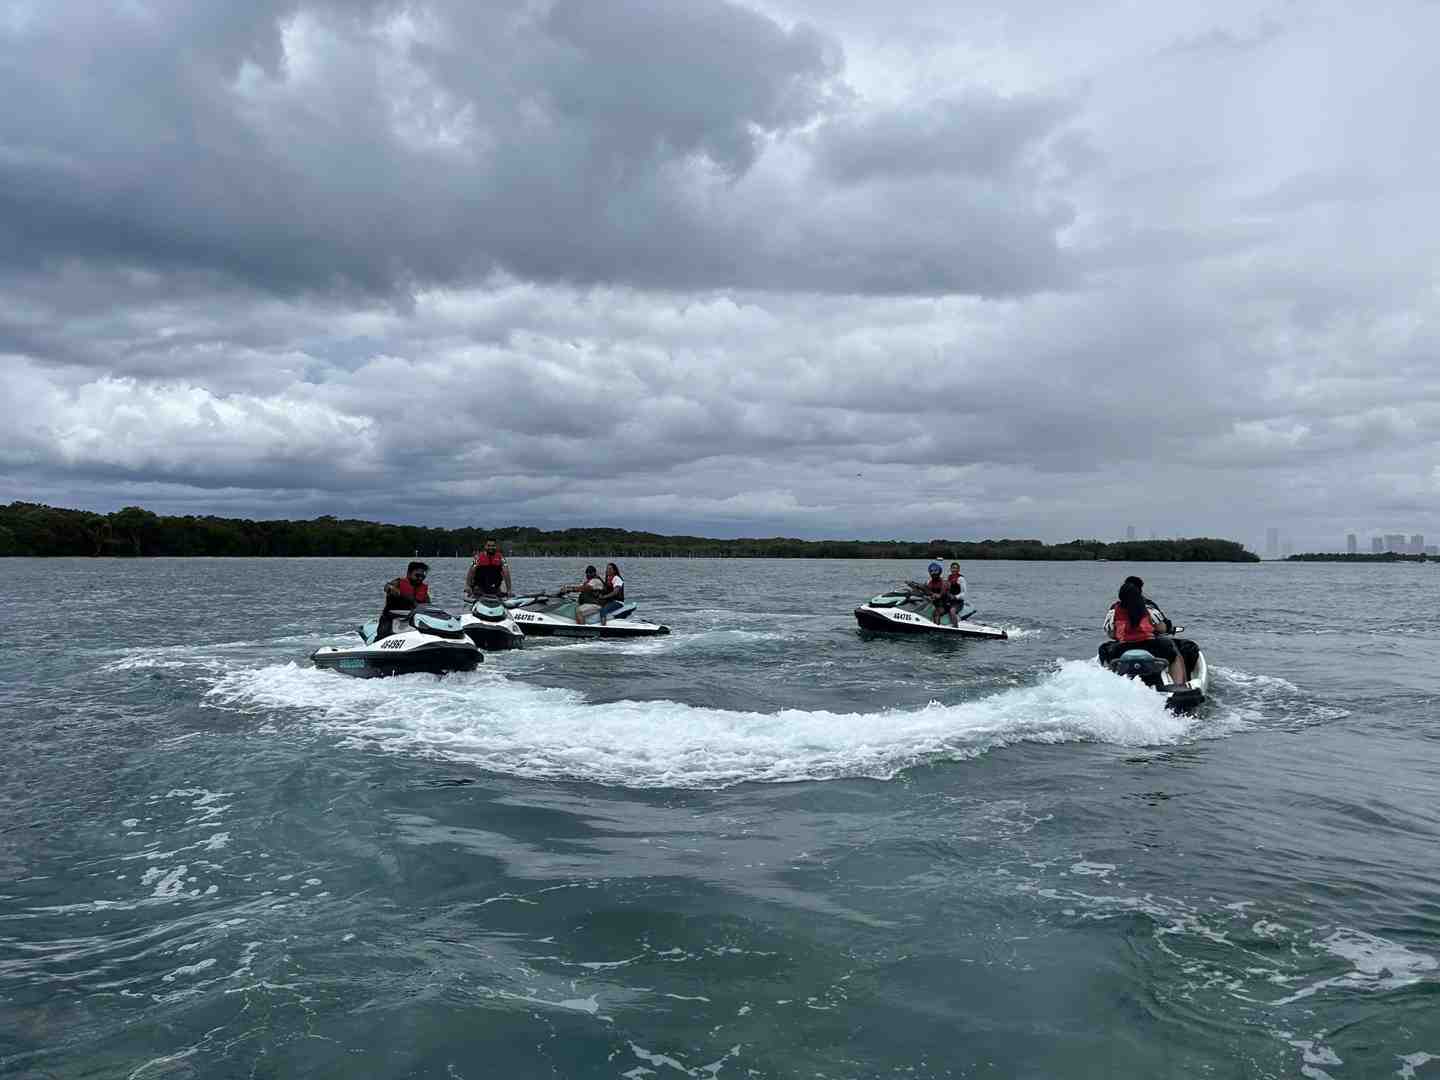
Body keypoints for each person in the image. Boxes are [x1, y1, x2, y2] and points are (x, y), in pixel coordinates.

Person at [1099, 577, 1191, 687]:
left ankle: (1107, 683)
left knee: (1104, 650)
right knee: (1174, 654)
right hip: (1150, 647)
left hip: (1122, 649)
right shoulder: (1149, 608)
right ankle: (1179, 685)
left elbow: (1111, 634)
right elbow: (1162, 628)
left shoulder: (1114, 611)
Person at [378, 561, 430, 639]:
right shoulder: (398, 583)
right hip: (391, 620)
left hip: (411, 621)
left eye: (423, 576)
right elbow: (387, 587)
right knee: (382, 635)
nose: (420, 578)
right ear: (409, 573)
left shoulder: (423, 591)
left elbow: (428, 607)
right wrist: (392, 589)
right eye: (417, 575)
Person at [946, 562, 967, 627]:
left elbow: (964, 593)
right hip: (950, 601)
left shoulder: (961, 579)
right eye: (953, 568)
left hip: (958, 603)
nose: (954, 570)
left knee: (952, 611)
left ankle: (955, 627)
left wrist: (955, 597)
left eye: (956, 568)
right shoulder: (949, 577)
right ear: (950, 569)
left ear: (958, 570)